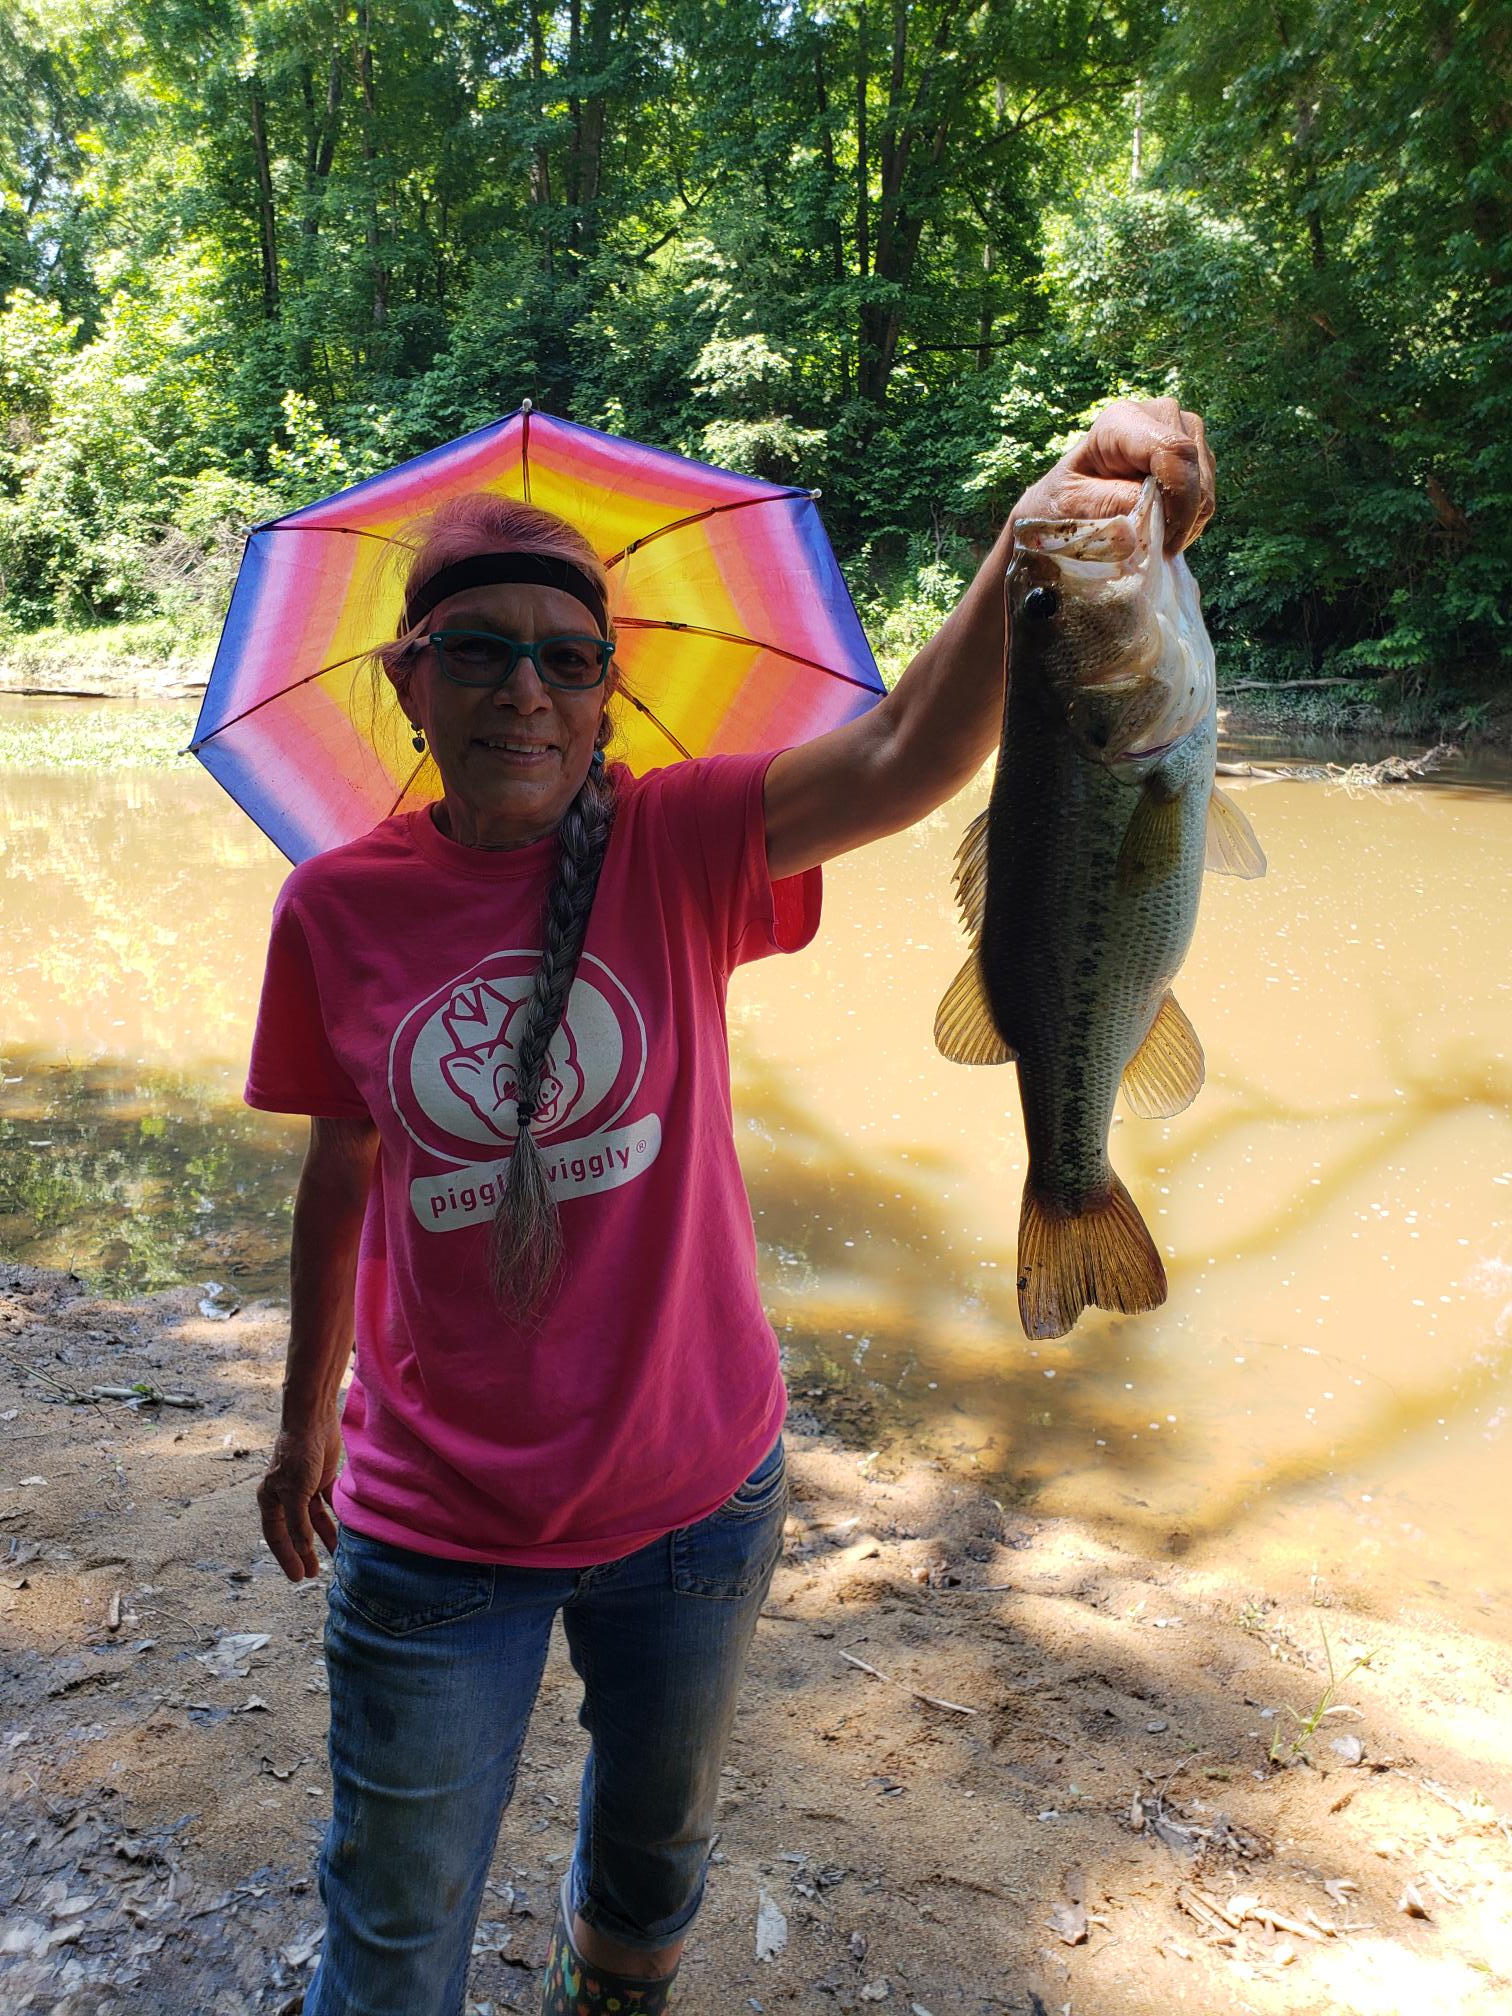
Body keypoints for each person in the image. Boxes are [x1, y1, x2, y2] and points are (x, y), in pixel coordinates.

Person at [249, 398, 1214, 2016]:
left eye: (566, 658)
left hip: (695, 1502)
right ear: (408, 681)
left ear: (606, 689)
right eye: (478, 652)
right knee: (395, 1926)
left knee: (654, 1860)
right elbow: (339, 1173)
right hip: (432, 1526)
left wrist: (1043, 537)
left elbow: (909, 756)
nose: (525, 689)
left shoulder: (681, 839)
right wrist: (301, 1431)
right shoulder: (332, 910)